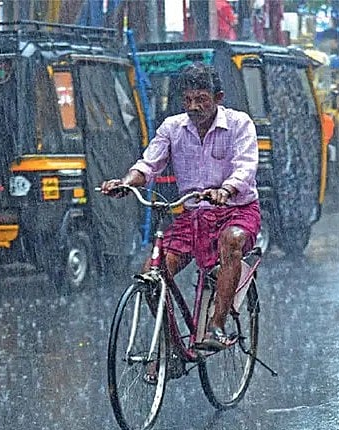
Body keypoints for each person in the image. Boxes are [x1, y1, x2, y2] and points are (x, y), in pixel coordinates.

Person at [101, 62, 260, 354]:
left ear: (219, 98)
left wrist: (225, 190)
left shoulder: (240, 124)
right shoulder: (172, 128)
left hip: (236, 209)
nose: (194, 106)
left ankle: (217, 324)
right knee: (152, 274)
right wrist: (125, 183)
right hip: (193, 216)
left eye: (202, 100)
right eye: (188, 100)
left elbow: (245, 167)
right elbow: (149, 164)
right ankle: (172, 348)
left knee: (232, 241)